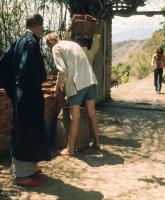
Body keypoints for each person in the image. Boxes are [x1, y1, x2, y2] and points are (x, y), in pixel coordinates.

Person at [6, 14, 51, 186]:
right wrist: (35, 81)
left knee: (28, 130)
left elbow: (3, 66)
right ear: (38, 26)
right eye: (42, 27)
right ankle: (21, 177)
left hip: (23, 94)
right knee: (26, 132)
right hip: (29, 96)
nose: (42, 30)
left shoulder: (19, 40)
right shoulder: (31, 42)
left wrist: (14, 89)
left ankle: (29, 169)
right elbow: (27, 70)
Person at [46, 32, 100, 156]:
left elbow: (62, 70)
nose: (49, 49)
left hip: (77, 84)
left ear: (50, 43)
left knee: (74, 118)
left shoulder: (56, 48)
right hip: (90, 80)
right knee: (92, 113)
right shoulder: (72, 43)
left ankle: (70, 149)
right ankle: (97, 143)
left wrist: (57, 87)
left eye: (48, 47)